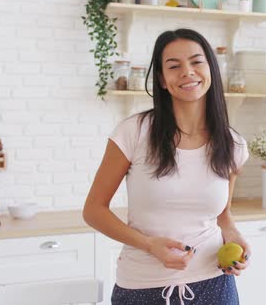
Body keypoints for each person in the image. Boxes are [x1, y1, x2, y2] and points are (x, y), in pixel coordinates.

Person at [83, 28, 250, 305]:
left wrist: (234, 235)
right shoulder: (133, 132)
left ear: (211, 69)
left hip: (215, 286)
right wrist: (149, 245)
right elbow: (93, 211)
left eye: (196, 62)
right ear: (161, 79)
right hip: (142, 288)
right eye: (174, 66)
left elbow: (223, 214)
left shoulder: (233, 144)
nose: (187, 72)